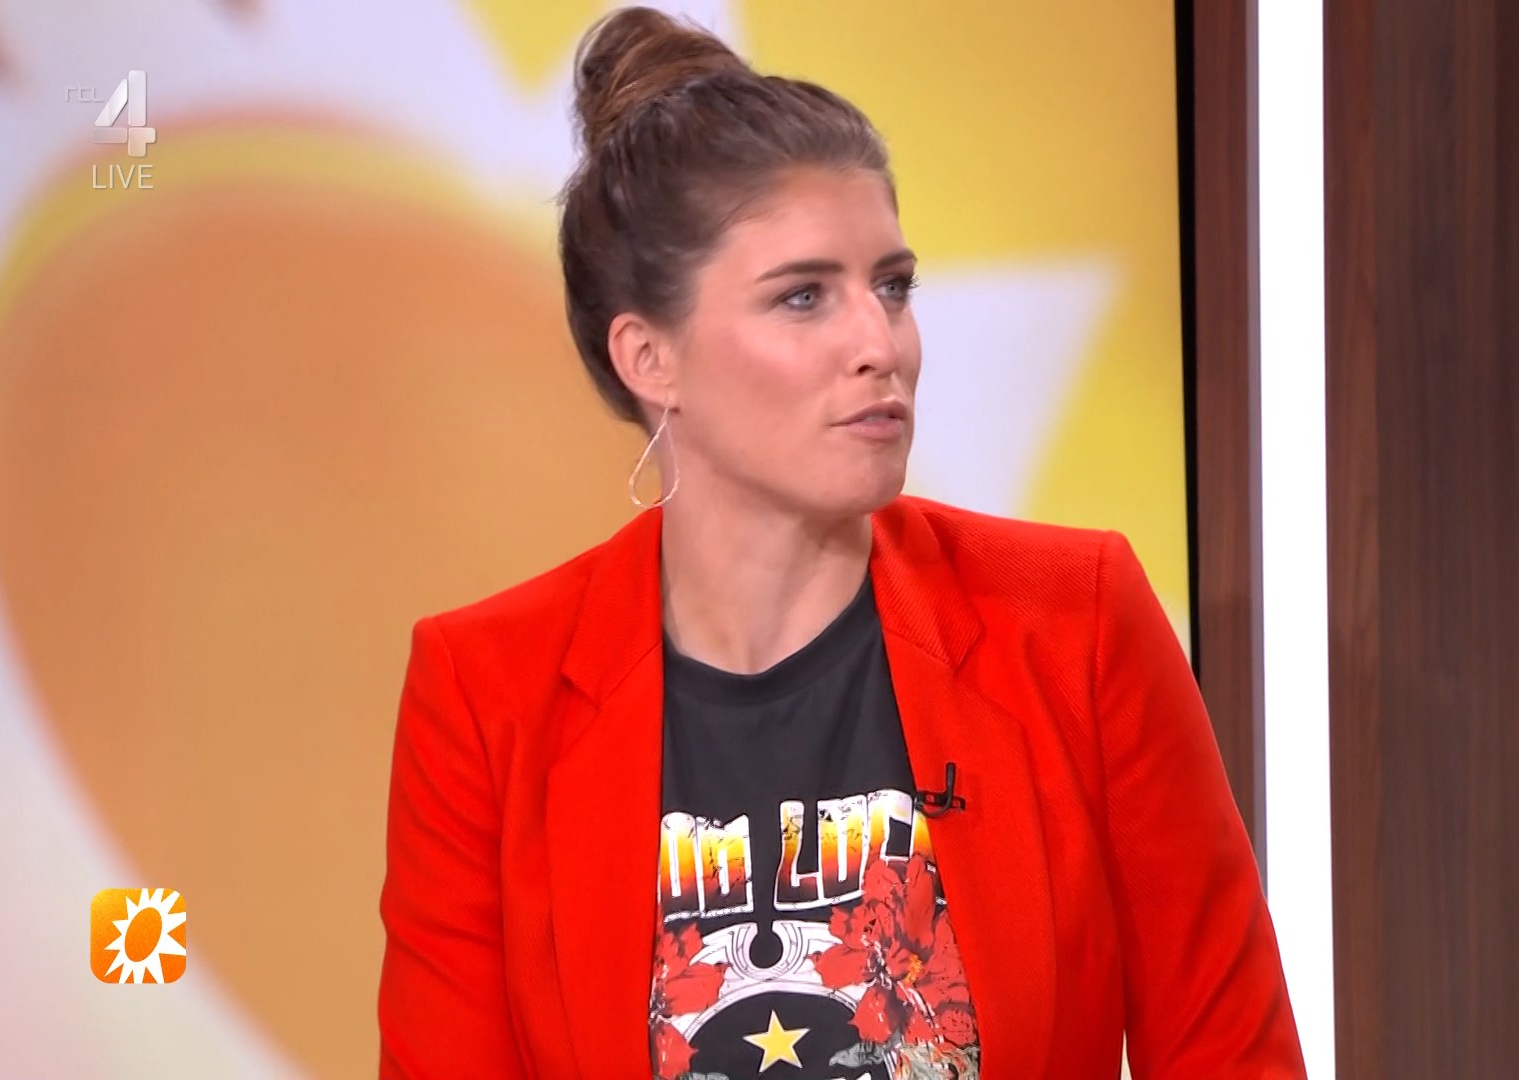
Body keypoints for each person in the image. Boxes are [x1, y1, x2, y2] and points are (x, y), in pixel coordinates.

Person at [376, 8, 1305, 1079]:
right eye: (804, 297)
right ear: (649, 358)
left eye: (892, 287)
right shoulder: (487, 695)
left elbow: (1234, 1057)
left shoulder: (1074, 621)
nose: (881, 344)